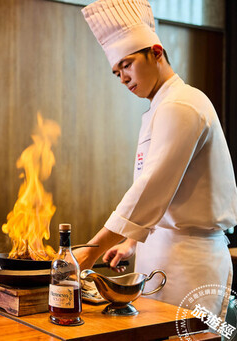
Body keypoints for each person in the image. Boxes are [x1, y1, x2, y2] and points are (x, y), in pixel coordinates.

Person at [75, 0, 237, 318]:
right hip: (159, 256)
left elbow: (150, 188)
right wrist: (131, 244)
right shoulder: (159, 107)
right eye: (116, 71)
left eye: (127, 64)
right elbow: (164, 194)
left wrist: (90, 250)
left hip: (189, 263)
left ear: (156, 52)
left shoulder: (183, 104)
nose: (123, 77)